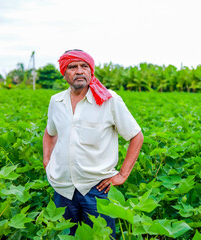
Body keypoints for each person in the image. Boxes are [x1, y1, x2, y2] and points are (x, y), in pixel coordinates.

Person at [42, 49, 144, 238]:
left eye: (84, 66)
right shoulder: (56, 101)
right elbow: (50, 133)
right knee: (66, 236)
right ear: (64, 73)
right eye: (72, 67)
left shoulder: (109, 100)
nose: (79, 71)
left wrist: (122, 175)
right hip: (63, 188)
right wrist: (47, 161)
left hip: (96, 189)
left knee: (101, 236)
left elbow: (136, 136)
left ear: (91, 71)